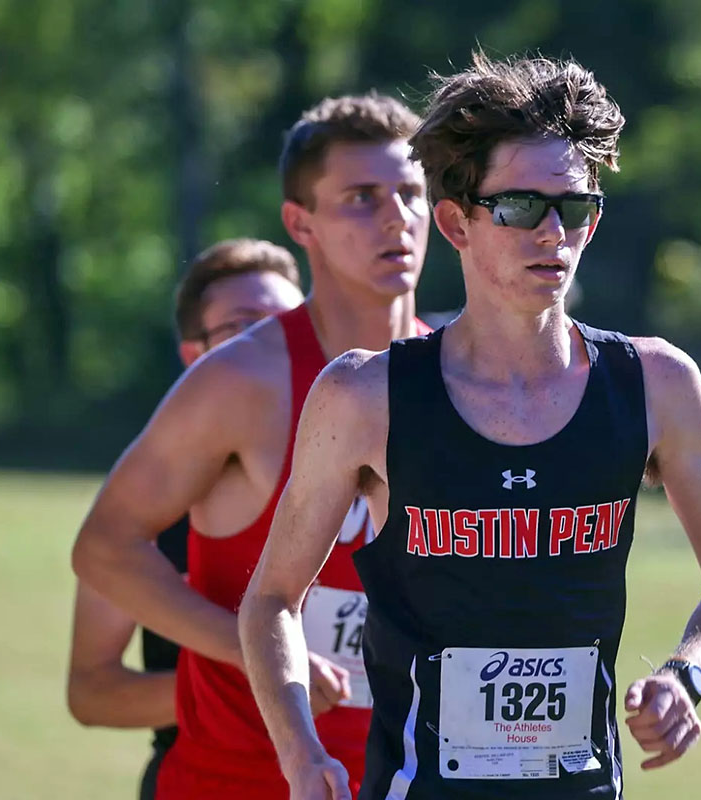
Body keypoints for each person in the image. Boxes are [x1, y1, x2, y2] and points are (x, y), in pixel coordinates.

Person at [238, 52, 701, 800]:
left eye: (575, 208)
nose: (553, 233)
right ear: (455, 220)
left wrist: (690, 674)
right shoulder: (366, 395)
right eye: (521, 207)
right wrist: (300, 753)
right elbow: (270, 601)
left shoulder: (656, 384)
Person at [71, 92, 432, 799]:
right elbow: (103, 548)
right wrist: (258, 648)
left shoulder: (454, 378)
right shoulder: (243, 378)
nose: (397, 217)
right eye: (362, 197)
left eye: (412, 193)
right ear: (302, 223)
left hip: (408, 781)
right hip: (234, 780)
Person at [66, 238, 304, 800]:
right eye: (243, 331)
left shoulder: (359, 471)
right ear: (196, 358)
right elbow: (91, 692)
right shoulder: (149, 512)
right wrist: (251, 676)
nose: (268, 348)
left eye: (287, 326)